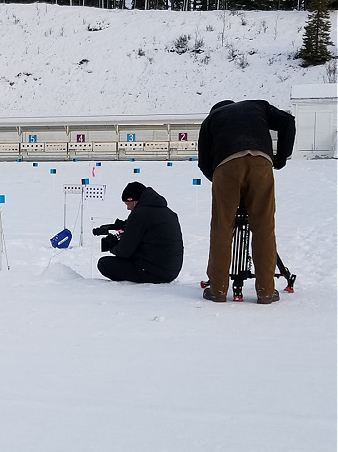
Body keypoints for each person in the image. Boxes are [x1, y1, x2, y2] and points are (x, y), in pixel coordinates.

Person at [197, 100, 296, 304]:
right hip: (261, 161)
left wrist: (221, 184)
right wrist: (281, 158)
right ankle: (266, 291)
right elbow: (288, 121)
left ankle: (217, 290)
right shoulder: (258, 106)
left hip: (225, 166)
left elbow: (204, 162)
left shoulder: (211, 119)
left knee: (221, 228)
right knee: (264, 228)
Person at [95, 182, 184, 284]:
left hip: (155, 273)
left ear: (133, 200)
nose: (128, 208)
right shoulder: (168, 212)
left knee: (104, 264)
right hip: (170, 271)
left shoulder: (140, 214)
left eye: (127, 204)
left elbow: (124, 252)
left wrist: (113, 246)